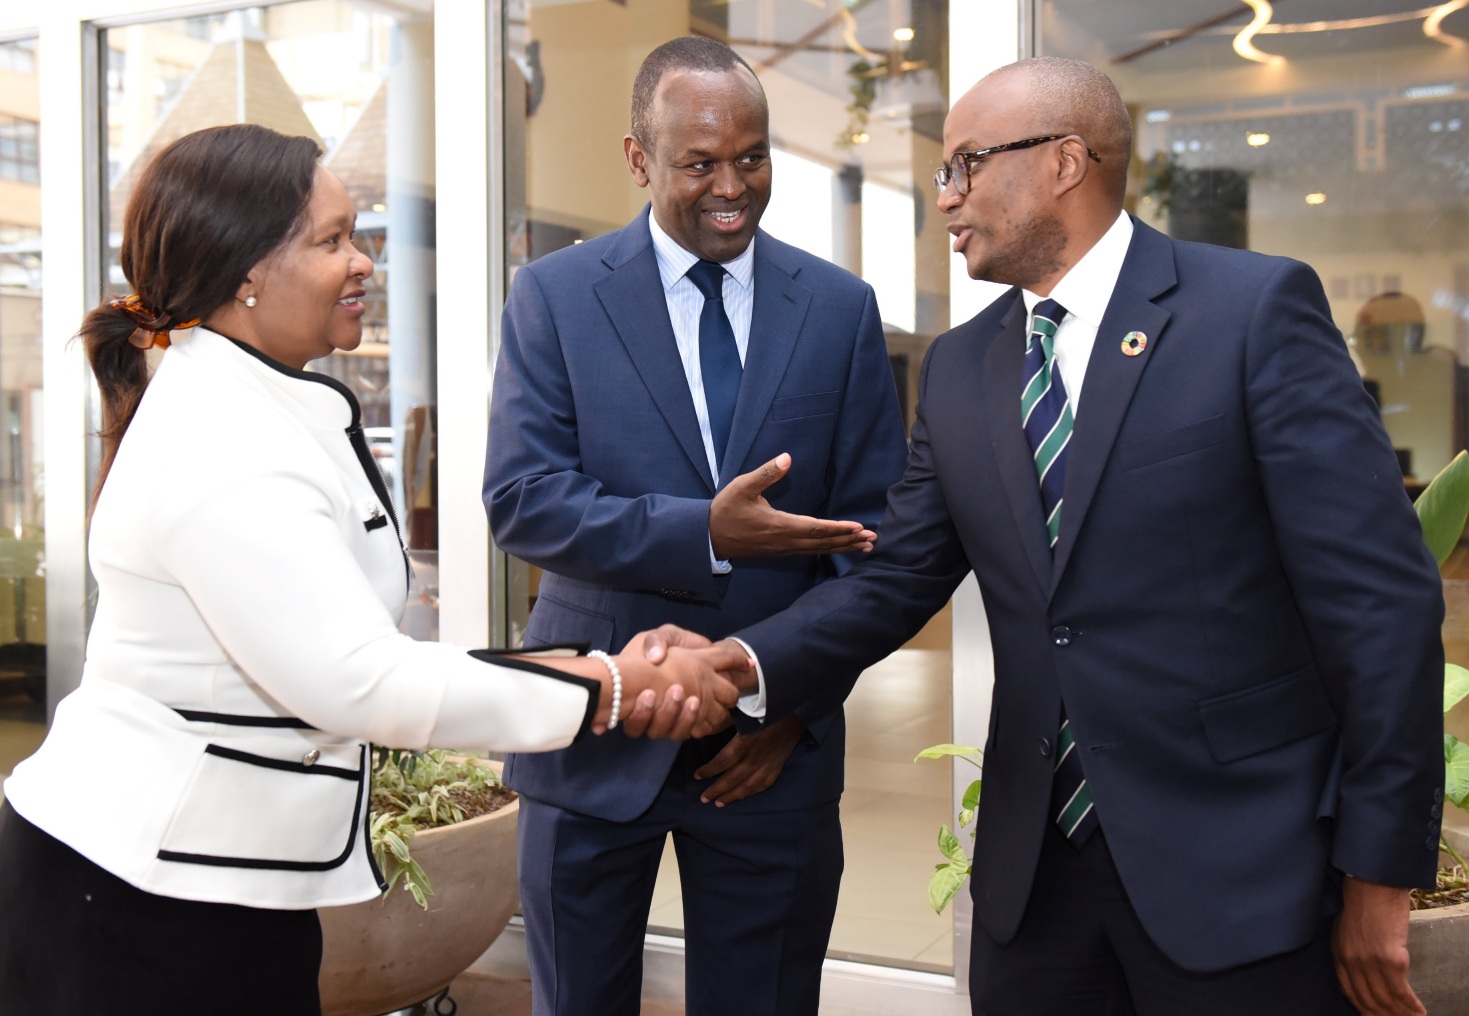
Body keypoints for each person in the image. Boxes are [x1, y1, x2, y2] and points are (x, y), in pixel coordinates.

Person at [671, 57, 1445, 1015]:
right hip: (1037, 883)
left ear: (1063, 162)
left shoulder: (1250, 314)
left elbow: (1380, 608)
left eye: (962, 166)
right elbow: (893, 579)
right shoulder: (959, 369)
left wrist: (1377, 877)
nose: (943, 199)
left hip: (1237, 874)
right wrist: (737, 663)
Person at [0, 123, 737, 1016]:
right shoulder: (219, 438)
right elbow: (358, 682)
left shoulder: (259, 402)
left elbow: (350, 649)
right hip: (137, 892)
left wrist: (589, 668)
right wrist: (613, 688)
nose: (362, 263)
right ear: (244, 273)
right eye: (331, 240)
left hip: (223, 878)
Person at [483, 35, 907, 1016]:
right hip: (591, 729)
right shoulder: (551, 296)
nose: (732, 186)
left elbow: (877, 540)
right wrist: (705, 532)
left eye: (750, 157)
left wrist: (783, 698)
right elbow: (522, 497)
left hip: (768, 749)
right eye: (699, 163)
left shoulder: (840, 310)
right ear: (637, 159)